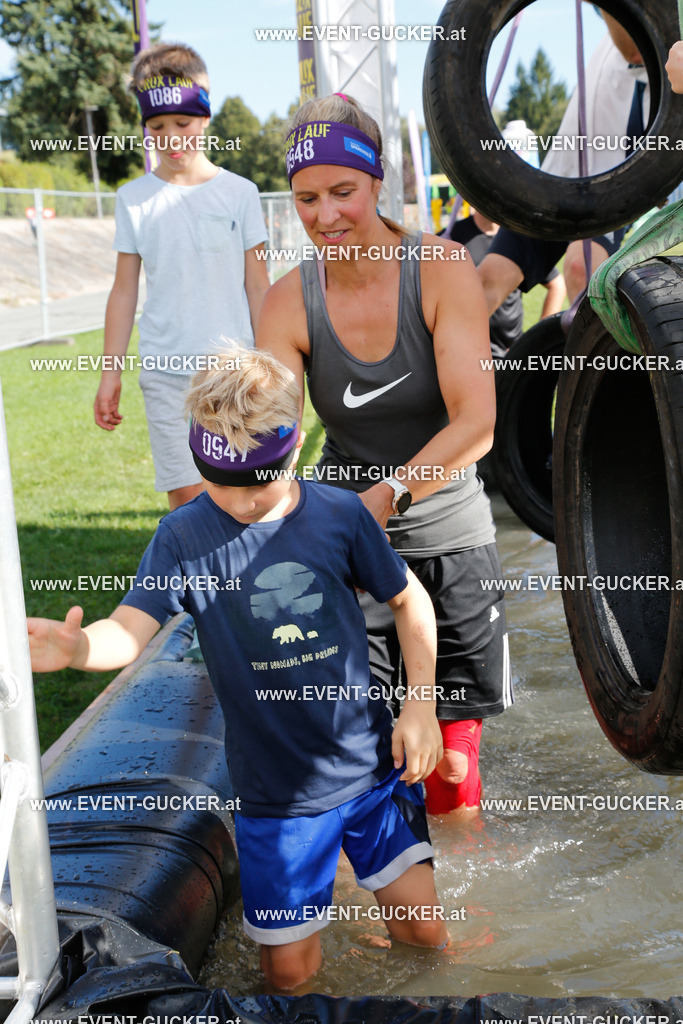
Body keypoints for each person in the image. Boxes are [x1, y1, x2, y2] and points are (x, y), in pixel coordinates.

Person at [28, 347, 449, 992]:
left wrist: (421, 707)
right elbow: (129, 631)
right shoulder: (183, 537)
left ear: (293, 449)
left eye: (260, 484)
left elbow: (408, 599)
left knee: (423, 934)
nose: (242, 503)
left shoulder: (339, 515)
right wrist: (79, 649)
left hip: (370, 771)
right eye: (222, 483)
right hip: (277, 801)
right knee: (288, 975)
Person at [257, 94, 513, 817]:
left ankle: (461, 921)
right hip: (347, 556)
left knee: (451, 778)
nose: (325, 215)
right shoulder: (285, 303)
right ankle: (378, 923)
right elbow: (269, 448)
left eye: (343, 192)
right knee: (360, 768)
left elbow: (477, 425)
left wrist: (382, 500)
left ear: (377, 184)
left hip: (447, 540)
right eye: (306, 198)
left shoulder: (438, 268)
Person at [94, 42, 270, 510]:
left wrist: (274, 367)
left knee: (246, 495)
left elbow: (258, 285)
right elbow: (124, 289)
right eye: (157, 127)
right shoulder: (133, 199)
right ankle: (202, 587)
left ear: (205, 116)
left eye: (183, 124)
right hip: (165, 377)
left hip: (235, 375)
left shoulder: (240, 193)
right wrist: (110, 373)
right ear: (144, 125)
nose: (171, 138)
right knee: (190, 500)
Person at [478, 11, 648, 314]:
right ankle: (446, 359)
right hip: (556, 176)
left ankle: (597, 361)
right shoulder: (609, 38)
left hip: (609, 185)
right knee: (486, 280)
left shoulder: (661, 33)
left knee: (582, 269)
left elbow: (635, 50)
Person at [445, 209, 566, 357]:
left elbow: (557, 285)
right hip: (470, 351)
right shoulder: (449, 239)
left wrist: (537, 342)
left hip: (511, 351)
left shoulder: (517, 233)